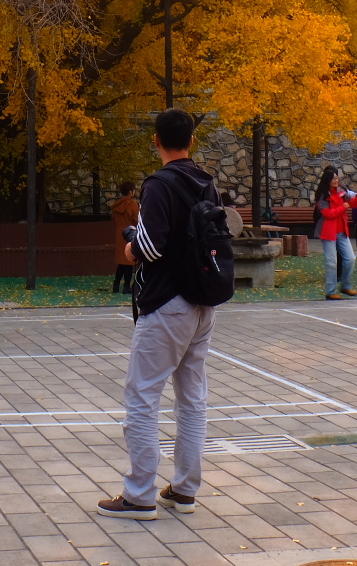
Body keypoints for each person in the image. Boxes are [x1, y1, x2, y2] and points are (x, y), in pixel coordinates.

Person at [95, 108, 219, 521]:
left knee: (142, 397)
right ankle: (184, 489)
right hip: (203, 301)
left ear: (156, 140)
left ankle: (139, 495)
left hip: (166, 304)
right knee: (192, 398)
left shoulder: (159, 184)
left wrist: (130, 246)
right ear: (191, 141)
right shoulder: (207, 183)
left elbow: (150, 247)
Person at [312, 165, 357, 300]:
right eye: (334, 179)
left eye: (337, 178)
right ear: (327, 181)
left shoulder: (341, 191)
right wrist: (343, 207)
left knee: (350, 259)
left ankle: (345, 285)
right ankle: (331, 291)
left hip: (342, 231)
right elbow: (328, 214)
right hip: (328, 233)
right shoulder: (322, 196)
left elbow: (353, 202)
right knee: (331, 262)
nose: (337, 181)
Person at [111, 181, 139, 294]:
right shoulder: (132, 204)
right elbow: (137, 219)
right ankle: (126, 286)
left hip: (120, 233)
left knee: (122, 262)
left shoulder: (116, 206)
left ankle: (116, 285)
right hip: (130, 233)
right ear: (130, 192)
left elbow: (113, 220)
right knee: (129, 260)